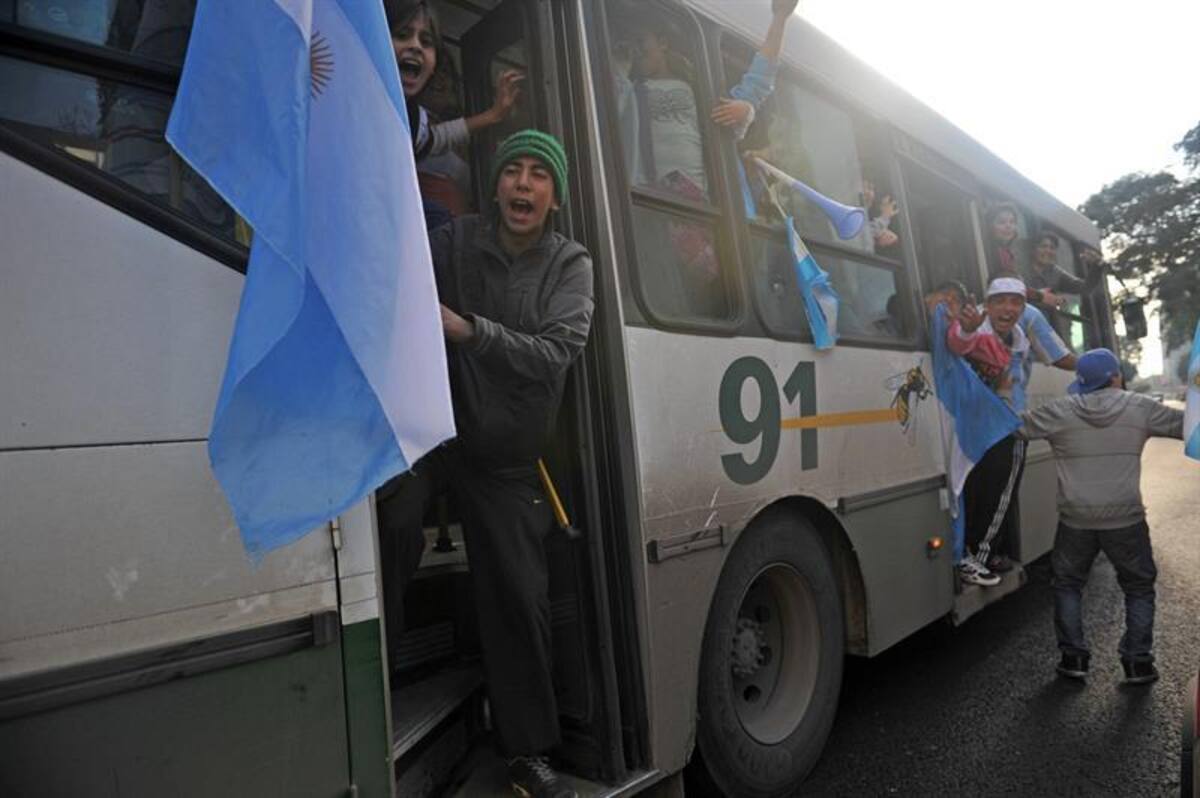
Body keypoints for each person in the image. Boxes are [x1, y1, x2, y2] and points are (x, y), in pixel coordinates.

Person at [377, 130, 591, 798]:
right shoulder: (455, 243)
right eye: (513, 173)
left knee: (520, 596)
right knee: (389, 519)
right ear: (495, 185)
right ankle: (371, 681)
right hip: (438, 439)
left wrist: (470, 331)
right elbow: (401, 284)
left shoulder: (570, 264)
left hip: (505, 461)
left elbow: (557, 351)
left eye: (539, 176)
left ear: (554, 198)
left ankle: (528, 754)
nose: (523, 186)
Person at [1019, 348, 1184, 684]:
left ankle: (1073, 659)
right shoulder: (1139, 407)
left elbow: (1016, 428)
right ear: (1115, 377)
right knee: (1138, 588)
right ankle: (1138, 663)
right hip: (1126, 518)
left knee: (1067, 585)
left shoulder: (1060, 411)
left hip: (1075, 519)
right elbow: (1186, 426)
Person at [955, 277, 1075, 585]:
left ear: (1023, 308)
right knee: (989, 492)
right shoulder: (975, 328)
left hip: (1001, 421)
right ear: (987, 304)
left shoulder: (1019, 336)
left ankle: (983, 554)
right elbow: (958, 345)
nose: (1008, 309)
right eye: (1000, 302)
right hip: (981, 425)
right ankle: (978, 558)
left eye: (1016, 303)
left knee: (993, 492)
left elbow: (1013, 379)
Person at [389, 1, 523, 225]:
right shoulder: (352, 101)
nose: (415, 46)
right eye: (403, 35)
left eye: (426, 41)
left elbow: (438, 138)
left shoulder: (411, 121)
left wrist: (493, 115)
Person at [1026, 231, 1105, 314]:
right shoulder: (1020, 265)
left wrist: (1097, 264)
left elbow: (1085, 288)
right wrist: (1039, 296)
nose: (1048, 251)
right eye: (1043, 246)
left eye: (1052, 248)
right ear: (1033, 249)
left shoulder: (1055, 272)